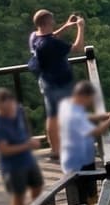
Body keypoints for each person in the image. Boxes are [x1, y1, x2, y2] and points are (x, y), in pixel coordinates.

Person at [28, 9, 85, 158]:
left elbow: (50, 36)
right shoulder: (52, 44)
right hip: (61, 83)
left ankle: (55, 150)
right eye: (52, 20)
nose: (54, 23)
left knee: (52, 116)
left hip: (46, 82)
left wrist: (66, 26)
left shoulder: (34, 37)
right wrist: (80, 27)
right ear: (48, 22)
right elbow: (77, 48)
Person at [55, 80, 110, 205]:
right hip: (78, 165)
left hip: (75, 157)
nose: (91, 102)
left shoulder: (67, 105)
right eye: (90, 99)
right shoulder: (74, 114)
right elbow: (95, 132)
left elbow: (87, 117)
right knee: (84, 198)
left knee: (87, 195)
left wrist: (105, 115)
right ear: (83, 96)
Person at [0, 87, 44, 205]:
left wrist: (28, 139)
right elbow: (4, 150)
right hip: (11, 165)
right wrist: (27, 145)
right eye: (4, 109)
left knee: (37, 184)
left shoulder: (19, 110)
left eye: (10, 107)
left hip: (27, 158)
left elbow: (25, 127)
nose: (8, 111)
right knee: (18, 194)